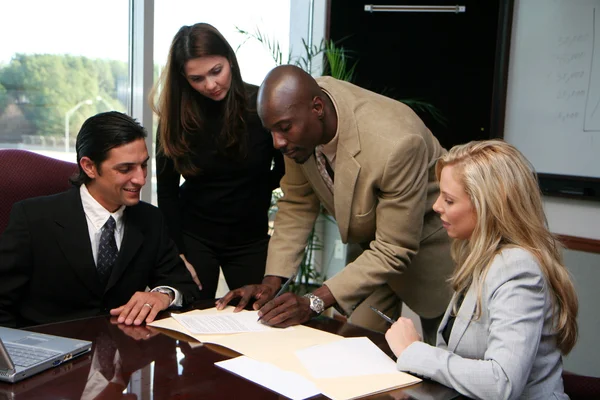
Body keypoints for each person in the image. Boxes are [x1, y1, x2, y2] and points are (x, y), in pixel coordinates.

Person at [217, 65, 455, 342]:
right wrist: (271, 283)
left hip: (428, 254)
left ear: (317, 108)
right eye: (271, 131)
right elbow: (296, 204)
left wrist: (312, 302)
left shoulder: (396, 144)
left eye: (283, 129)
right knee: (352, 349)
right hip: (370, 260)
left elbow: (394, 247)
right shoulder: (295, 120)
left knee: (439, 361)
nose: (277, 142)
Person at [385, 140, 578, 399]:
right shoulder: (481, 256)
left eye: (449, 200)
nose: (436, 206)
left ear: (488, 206)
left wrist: (415, 352)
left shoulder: (517, 268)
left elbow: (502, 383)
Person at [0, 111, 201, 328]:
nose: (141, 179)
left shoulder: (151, 219)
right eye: (125, 169)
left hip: (125, 350)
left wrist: (163, 295)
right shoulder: (33, 218)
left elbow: (183, 283)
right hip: (50, 350)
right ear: (89, 167)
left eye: (143, 165)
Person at [151, 23, 284, 300]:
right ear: (184, 79)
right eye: (197, 79)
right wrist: (177, 252)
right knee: (192, 318)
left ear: (230, 61)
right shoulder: (174, 119)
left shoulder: (261, 105)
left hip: (251, 238)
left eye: (216, 71)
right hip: (194, 236)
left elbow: (284, 170)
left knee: (254, 319)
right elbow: (167, 192)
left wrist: (255, 188)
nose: (210, 85)